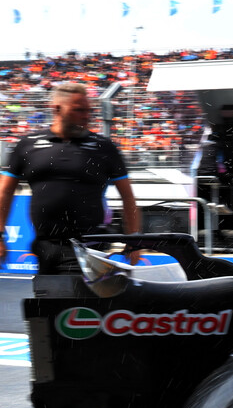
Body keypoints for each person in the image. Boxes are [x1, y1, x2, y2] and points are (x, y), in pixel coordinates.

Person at [0, 82, 141, 274]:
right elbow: (5, 191)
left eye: (88, 110)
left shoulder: (103, 147)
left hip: (88, 246)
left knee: (75, 302)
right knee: (47, 302)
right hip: (45, 247)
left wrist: (133, 239)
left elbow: (128, 196)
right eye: (79, 110)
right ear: (57, 109)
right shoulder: (27, 145)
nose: (86, 116)